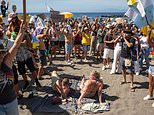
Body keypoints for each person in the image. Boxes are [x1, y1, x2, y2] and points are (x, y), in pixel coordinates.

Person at [0, 21, 26, 115]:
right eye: (0, 53)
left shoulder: (7, 61)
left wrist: (21, 31)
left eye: (3, 52)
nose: (2, 55)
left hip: (12, 102)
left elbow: (16, 44)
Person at [143, 26, 154, 107]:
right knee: (150, 82)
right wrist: (149, 32)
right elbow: (148, 41)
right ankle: (150, 95)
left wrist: (150, 32)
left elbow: (148, 41)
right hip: (151, 65)